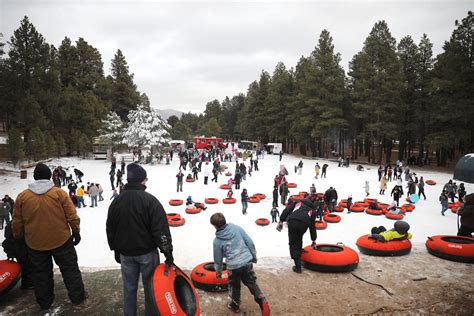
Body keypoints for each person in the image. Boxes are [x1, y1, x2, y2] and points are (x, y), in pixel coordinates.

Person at [12, 163, 85, 310]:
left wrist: (18, 237)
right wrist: (75, 231)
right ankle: (77, 297)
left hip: (35, 243)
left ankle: (45, 302)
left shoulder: (23, 196)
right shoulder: (59, 193)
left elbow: (17, 221)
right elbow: (71, 215)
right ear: (49, 176)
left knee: (40, 274)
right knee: (70, 269)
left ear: (34, 177)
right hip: (61, 239)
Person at [106, 163, 174, 316]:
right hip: (147, 254)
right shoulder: (150, 201)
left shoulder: (116, 201)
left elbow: (110, 228)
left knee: (129, 288)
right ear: (141, 180)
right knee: (151, 288)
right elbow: (160, 230)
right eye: (145, 179)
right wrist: (167, 251)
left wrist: (116, 249)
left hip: (125, 254)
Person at [210, 212, 270, 315]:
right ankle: (262, 299)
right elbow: (250, 242)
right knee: (251, 282)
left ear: (214, 226)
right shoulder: (237, 228)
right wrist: (253, 256)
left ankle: (235, 305)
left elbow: (218, 259)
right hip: (246, 262)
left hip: (233, 267)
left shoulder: (217, 241)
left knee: (234, 286)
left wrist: (218, 272)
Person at [277, 198, 317, 273]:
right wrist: (313, 239)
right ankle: (298, 256)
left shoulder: (297, 203)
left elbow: (286, 210)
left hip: (292, 221)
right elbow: (312, 226)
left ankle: (297, 266)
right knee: (298, 238)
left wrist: (281, 221)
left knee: (293, 242)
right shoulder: (312, 211)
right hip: (304, 224)